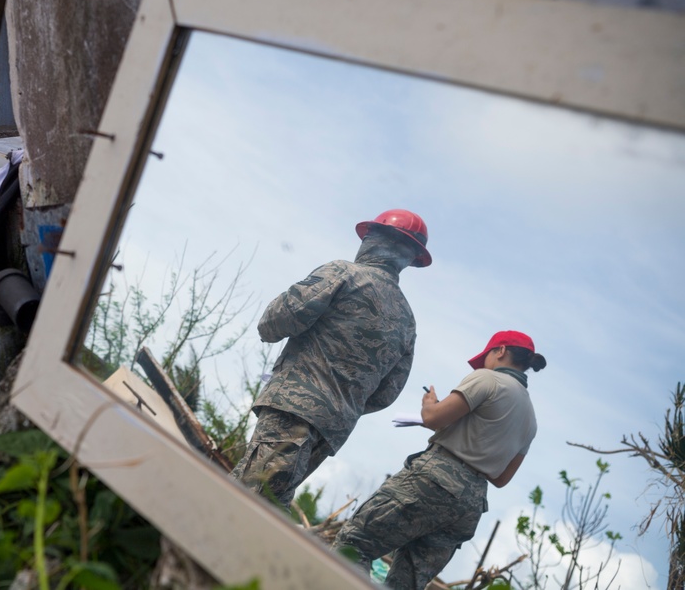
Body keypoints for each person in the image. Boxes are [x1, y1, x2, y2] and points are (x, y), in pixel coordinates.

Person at [229, 209, 432, 508]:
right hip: (331, 430)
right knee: (267, 502)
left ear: (374, 238)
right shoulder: (407, 320)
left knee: (243, 500)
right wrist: (342, 402)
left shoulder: (344, 274)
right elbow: (386, 394)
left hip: (292, 409)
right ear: (410, 258)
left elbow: (279, 319)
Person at [333, 330, 547, 589]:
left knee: (353, 545)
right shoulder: (531, 419)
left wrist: (430, 404)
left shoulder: (487, 379)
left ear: (500, 350)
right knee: (407, 582)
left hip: (433, 480)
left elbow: (433, 417)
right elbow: (501, 478)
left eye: (488, 355)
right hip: (470, 506)